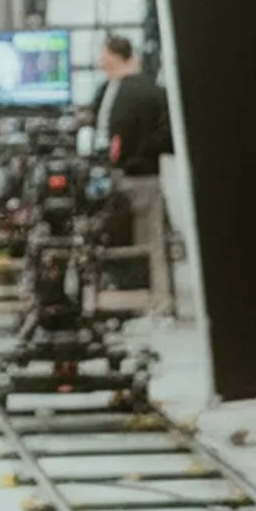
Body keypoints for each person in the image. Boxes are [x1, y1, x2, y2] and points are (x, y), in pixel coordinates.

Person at [92, 33, 174, 306]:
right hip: (111, 176)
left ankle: (157, 300)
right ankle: (125, 296)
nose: (99, 60)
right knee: (121, 240)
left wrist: (137, 152)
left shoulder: (148, 91)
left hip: (139, 175)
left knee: (150, 240)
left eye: (103, 54)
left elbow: (169, 134)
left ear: (115, 56)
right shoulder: (106, 90)